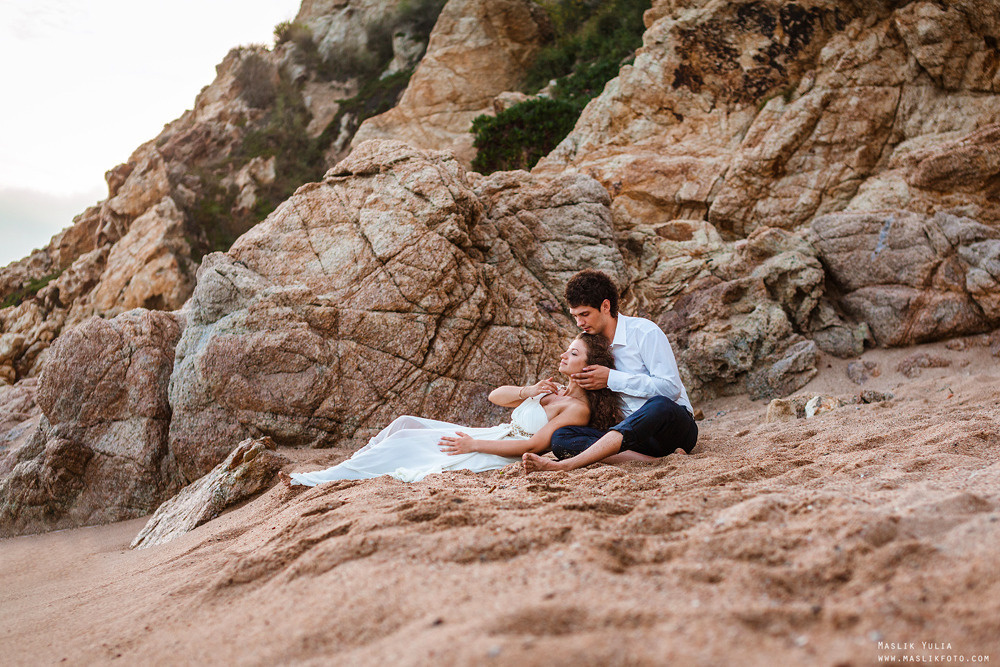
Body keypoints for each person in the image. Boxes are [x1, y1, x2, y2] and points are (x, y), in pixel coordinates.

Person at [278, 333, 623, 486]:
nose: (564, 356)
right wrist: (528, 390)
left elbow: (533, 446)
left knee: (403, 445)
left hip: (497, 450)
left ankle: (319, 479)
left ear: (590, 366)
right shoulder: (554, 390)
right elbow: (495, 397)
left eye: (573, 354)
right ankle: (350, 465)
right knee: (404, 422)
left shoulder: (577, 408)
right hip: (493, 433)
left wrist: (473, 446)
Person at [522, 269, 697, 473]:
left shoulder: (644, 332)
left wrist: (611, 379)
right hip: (630, 438)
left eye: (585, 314)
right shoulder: (589, 345)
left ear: (605, 306)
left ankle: (569, 465)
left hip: (670, 429)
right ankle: (650, 461)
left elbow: (670, 388)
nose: (579, 323)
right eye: (575, 316)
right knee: (562, 437)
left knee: (659, 405)